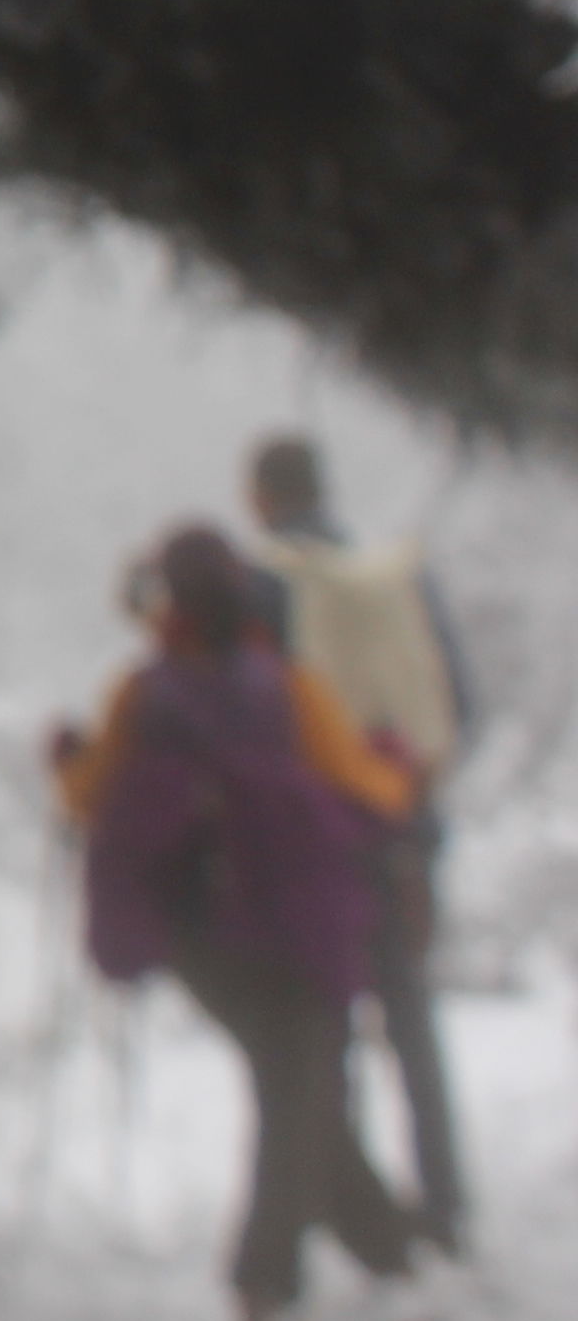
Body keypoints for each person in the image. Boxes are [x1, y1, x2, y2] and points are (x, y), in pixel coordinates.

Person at [51, 523, 420, 1321]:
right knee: (301, 1092)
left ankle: (387, 1252)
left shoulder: (140, 695)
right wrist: (396, 763)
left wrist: (66, 760)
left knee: (297, 1089)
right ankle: (271, 1284)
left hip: (200, 933)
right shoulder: (290, 688)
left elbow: (87, 798)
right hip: (305, 922)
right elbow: (365, 787)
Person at [245, 431, 473, 1251]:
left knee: (322, 1035)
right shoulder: (394, 581)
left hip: (316, 849)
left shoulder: (265, 586)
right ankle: (445, 1209)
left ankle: (346, 1212)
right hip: (407, 835)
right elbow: (456, 705)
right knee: (411, 1025)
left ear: (261, 495)